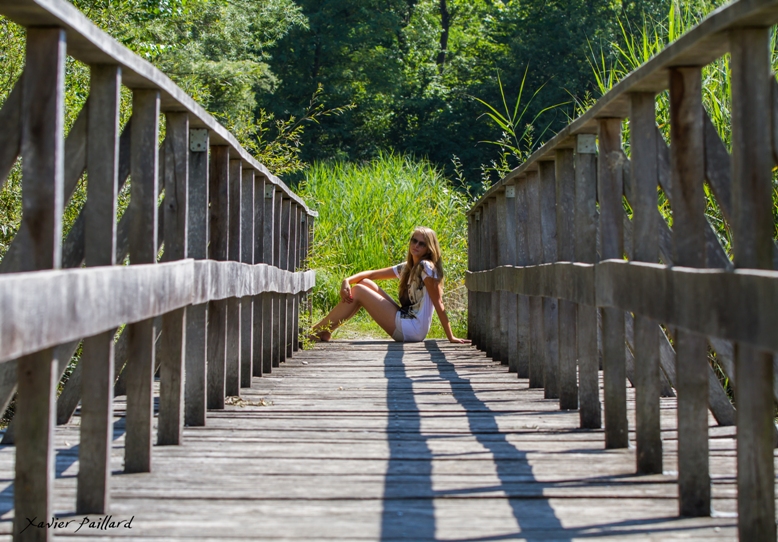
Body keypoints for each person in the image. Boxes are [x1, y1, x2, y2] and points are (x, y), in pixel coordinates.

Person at [310, 226, 470, 344]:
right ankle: (325, 331)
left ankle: (314, 331)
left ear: (429, 248)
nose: (416, 245)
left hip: (412, 329)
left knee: (358, 290)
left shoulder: (425, 267)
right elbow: (371, 274)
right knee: (365, 283)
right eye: (414, 240)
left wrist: (451, 337)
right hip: (406, 319)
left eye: (422, 244)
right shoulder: (409, 267)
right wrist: (346, 280)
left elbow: (439, 303)